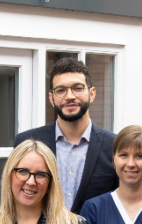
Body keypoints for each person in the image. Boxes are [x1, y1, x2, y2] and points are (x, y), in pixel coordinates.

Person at [14, 57, 118, 214]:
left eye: (77, 88)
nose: (69, 96)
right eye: (61, 90)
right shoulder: (26, 142)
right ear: (51, 98)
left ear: (92, 93)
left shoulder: (114, 146)